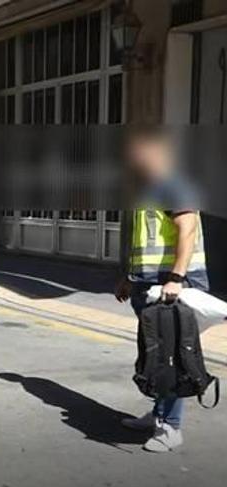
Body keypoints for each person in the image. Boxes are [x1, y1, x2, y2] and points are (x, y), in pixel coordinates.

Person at [114, 129, 208, 453]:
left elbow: (187, 229)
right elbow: (146, 241)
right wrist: (130, 278)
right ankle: (158, 415)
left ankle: (172, 427)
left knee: (170, 358)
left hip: (170, 286)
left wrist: (176, 278)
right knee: (155, 356)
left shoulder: (173, 183)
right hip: (149, 286)